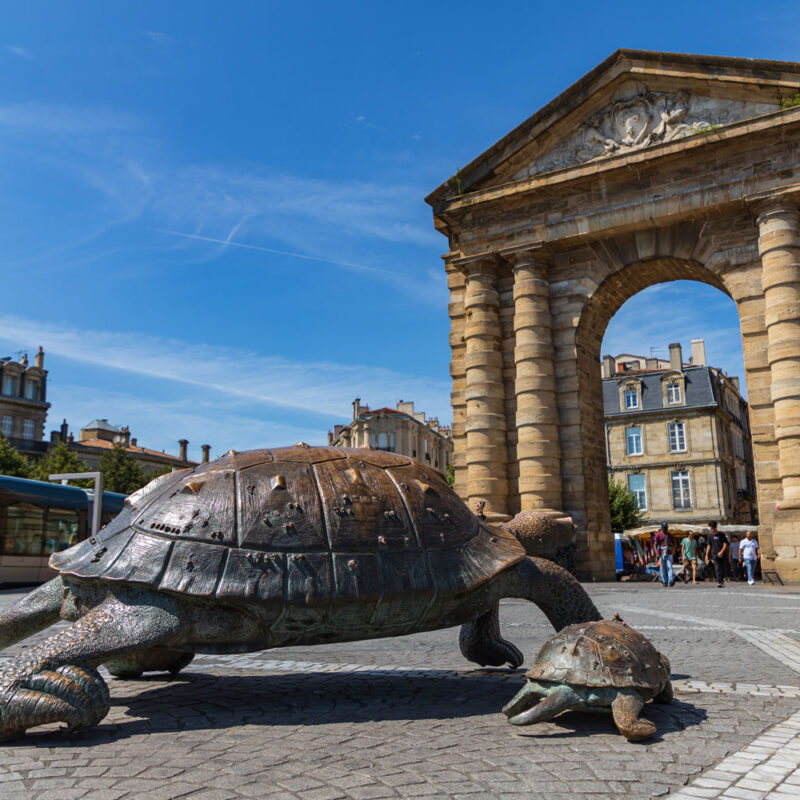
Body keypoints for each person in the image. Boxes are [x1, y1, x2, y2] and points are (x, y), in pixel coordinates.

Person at [705, 521, 729, 587]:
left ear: (714, 527)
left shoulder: (721, 534)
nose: (711, 529)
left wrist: (721, 551)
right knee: (717, 567)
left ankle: (722, 580)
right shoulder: (710, 536)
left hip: (722, 553)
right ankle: (719, 581)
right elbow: (708, 545)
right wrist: (706, 555)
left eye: (712, 528)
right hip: (714, 553)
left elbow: (725, 544)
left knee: (723, 567)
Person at [653, 522, 675, 587]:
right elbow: (655, 545)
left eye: (667, 527)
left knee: (669, 566)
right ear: (662, 528)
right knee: (662, 567)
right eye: (664, 528)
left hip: (668, 552)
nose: (666, 529)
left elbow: (674, 543)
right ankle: (664, 581)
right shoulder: (658, 535)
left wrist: (671, 545)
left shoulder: (669, 535)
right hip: (660, 553)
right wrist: (656, 553)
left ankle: (670, 581)